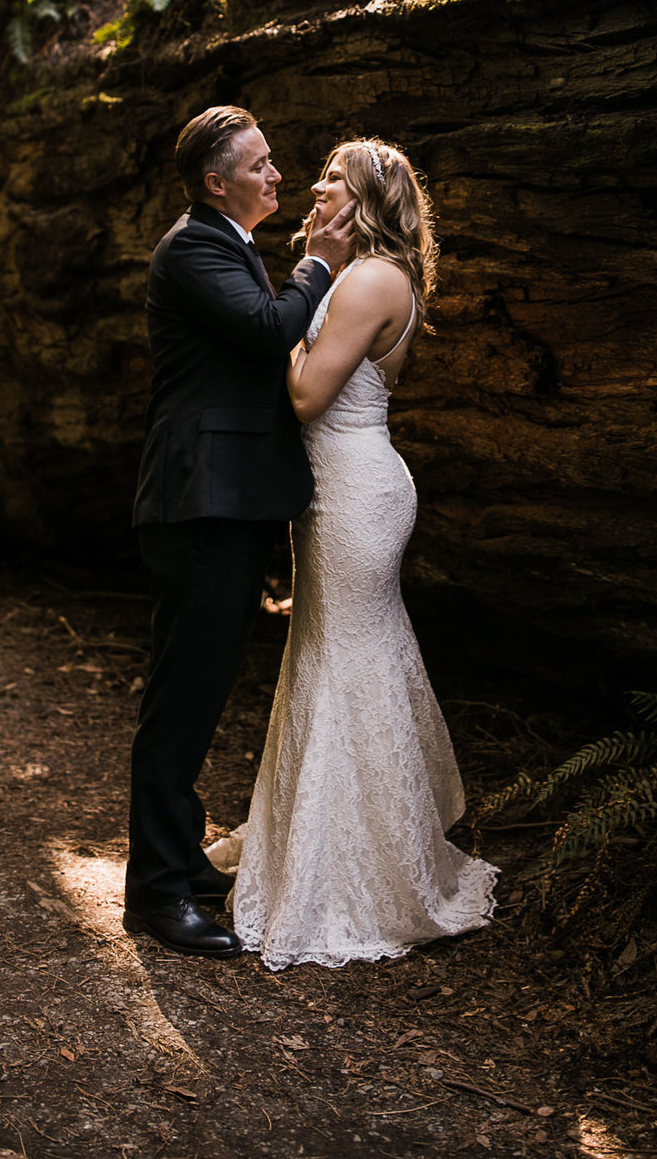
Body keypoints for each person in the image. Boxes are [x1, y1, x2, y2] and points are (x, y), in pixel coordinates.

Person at [203, 138, 496, 968]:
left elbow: (302, 394)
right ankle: (322, 838)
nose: (313, 187)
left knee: (346, 660)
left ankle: (364, 872)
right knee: (326, 655)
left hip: (354, 491)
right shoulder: (369, 273)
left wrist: (295, 301)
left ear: (365, 198)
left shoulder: (368, 278)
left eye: (331, 178)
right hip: (338, 489)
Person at [124, 106, 351, 958]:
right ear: (218, 181)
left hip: (228, 501)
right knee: (181, 701)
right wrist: (320, 265)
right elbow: (267, 333)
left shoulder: (226, 242)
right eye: (259, 164)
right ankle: (154, 893)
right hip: (199, 503)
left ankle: (182, 858)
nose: (277, 175)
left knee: (199, 690)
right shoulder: (194, 245)